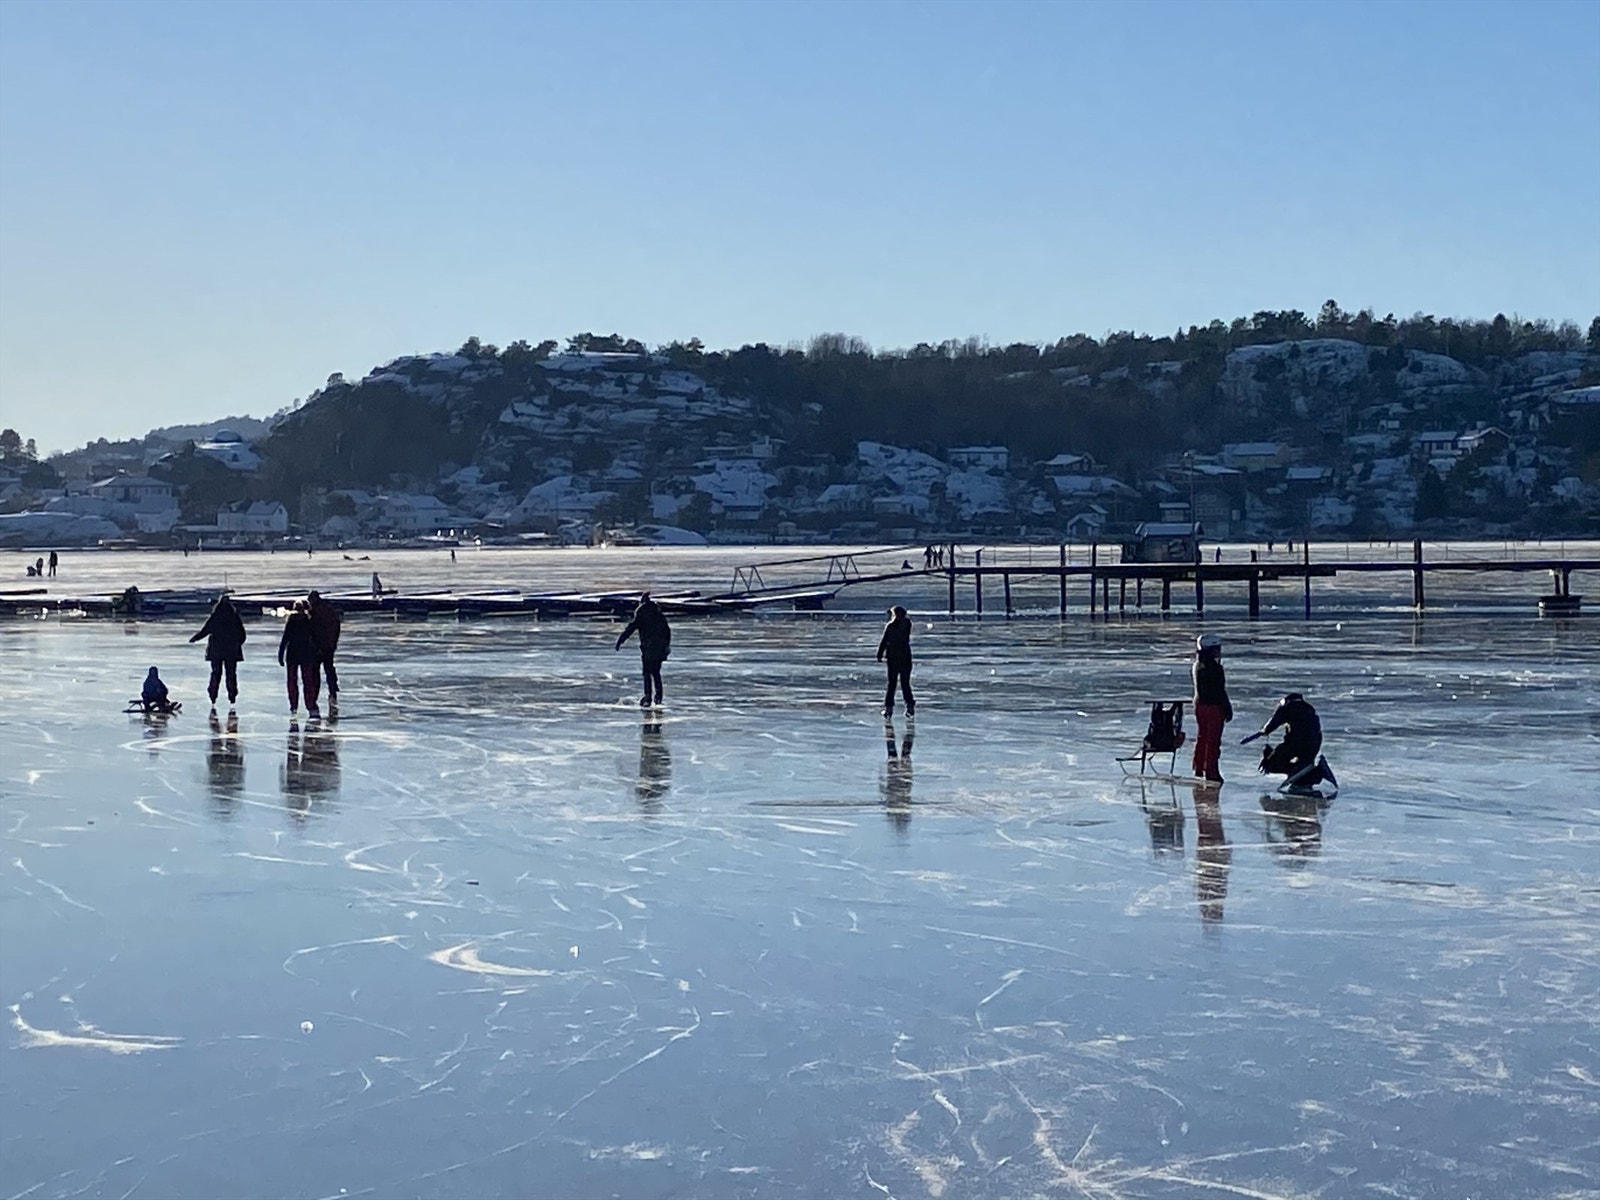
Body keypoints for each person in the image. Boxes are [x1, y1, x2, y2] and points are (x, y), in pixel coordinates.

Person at [1253, 692, 1336, 788]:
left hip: (1296, 744)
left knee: (1271, 764)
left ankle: (1307, 771)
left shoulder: (1287, 707)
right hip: (1313, 746)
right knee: (1304, 767)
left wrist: (1263, 732)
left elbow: (1270, 726)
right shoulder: (1309, 709)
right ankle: (1310, 771)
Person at [615, 592, 671, 708]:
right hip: (659, 648)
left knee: (647, 673)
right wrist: (666, 647)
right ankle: (658, 697)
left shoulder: (641, 614)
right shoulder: (659, 615)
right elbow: (667, 632)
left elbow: (630, 628)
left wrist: (620, 640)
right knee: (656, 673)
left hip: (648, 648)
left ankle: (648, 697)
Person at [190, 594, 246, 707]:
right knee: (231, 674)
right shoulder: (234, 618)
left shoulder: (215, 617)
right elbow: (242, 635)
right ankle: (232, 695)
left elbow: (205, 630)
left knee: (216, 673)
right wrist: (237, 644)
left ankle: (213, 695)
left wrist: (195, 638)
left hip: (216, 651)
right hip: (231, 652)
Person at [1191, 633, 1232, 784]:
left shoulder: (1197, 665)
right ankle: (1211, 771)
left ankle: (1199, 767)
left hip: (1200, 705)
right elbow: (1219, 691)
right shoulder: (1215, 668)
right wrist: (1227, 708)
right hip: (1214, 707)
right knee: (1213, 740)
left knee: (1202, 737)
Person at [278, 599, 321, 718]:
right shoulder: (308, 621)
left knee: (292, 681)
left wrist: (281, 655)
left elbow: (285, 639)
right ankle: (310, 704)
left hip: (292, 654)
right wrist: (316, 653)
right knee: (307, 681)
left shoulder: (291, 621)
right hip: (306, 654)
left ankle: (293, 704)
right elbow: (314, 639)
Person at [877, 605, 915, 718]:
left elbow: (884, 641)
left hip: (893, 657)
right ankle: (909, 705)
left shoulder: (890, 626)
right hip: (905, 657)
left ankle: (889, 709)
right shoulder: (907, 624)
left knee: (892, 684)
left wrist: (880, 654)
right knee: (905, 683)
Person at [307, 590, 342, 702]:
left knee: (316, 670)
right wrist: (334, 642)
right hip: (329, 646)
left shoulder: (316, 613)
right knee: (329, 668)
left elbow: (313, 630)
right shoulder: (330, 610)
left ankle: (315, 691)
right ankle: (333, 688)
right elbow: (336, 626)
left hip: (319, 646)